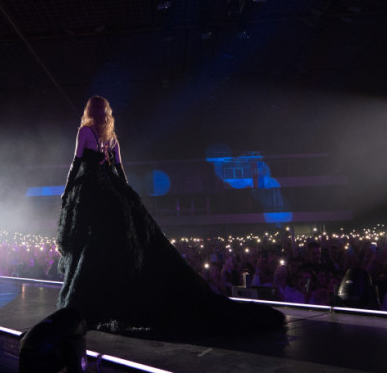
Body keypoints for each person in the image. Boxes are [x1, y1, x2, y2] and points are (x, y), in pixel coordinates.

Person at [56, 96, 285, 334]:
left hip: (92, 190)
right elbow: (119, 168)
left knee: (90, 241)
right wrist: (126, 193)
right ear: (107, 113)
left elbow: (76, 162)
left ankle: (91, 294)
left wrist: (67, 190)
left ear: (89, 111)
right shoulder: (112, 138)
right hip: (113, 190)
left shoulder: (84, 132)